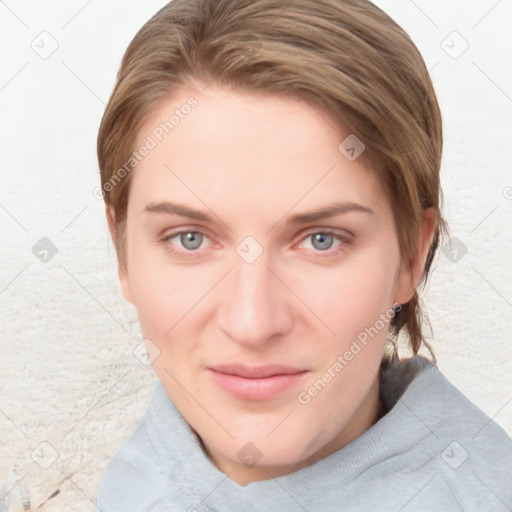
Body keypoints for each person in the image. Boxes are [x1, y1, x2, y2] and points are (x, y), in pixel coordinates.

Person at [95, 0, 512, 510]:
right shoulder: (145, 469)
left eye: (322, 240)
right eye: (190, 238)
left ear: (411, 255)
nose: (251, 323)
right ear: (123, 254)